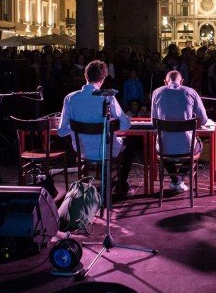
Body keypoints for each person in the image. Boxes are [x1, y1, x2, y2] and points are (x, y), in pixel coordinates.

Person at [57, 59, 137, 197]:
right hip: (106, 150)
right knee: (130, 143)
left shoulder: (70, 98)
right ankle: (121, 184)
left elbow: (61, 132)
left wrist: (77, 124)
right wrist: (111, 122)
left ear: (85, 76)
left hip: (82, 151)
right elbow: (125, 125)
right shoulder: (106, 98)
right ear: (103, 78)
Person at [151, 70, 208, 193]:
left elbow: (153, 123)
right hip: (187, 147)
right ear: (181, 82)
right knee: (199, 145)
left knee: (162, 147)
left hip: (165, 147)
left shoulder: (156, 93)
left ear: (165, 82)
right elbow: (203, 119)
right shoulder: (191, 92)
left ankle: (174, 179)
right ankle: (180, 178)